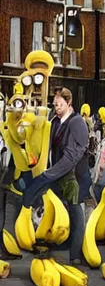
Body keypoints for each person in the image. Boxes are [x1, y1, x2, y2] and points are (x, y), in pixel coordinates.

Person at [15, 87, 90, 267]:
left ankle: (75, 255)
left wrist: (48, 174)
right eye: (55, 104)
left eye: (60, 104)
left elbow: (73, 155)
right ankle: (62, 241)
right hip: (57, 173)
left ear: (69, 103)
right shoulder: (55, 121)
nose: (56, 107)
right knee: (59, 206)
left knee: (75, 208)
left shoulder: (77, 122)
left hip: (75, 175)